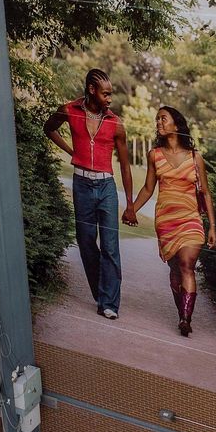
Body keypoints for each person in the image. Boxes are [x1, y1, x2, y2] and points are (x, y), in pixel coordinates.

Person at [44, 69, 136, 320]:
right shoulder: (69, 110)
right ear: (92, 90)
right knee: (85, 241)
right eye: (105, 94)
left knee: (110, 246)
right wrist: (71, 151)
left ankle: (109, 303)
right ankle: (101, 294)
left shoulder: (115, 123)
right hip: (81, 185)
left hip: (106, 187)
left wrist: (130, 204)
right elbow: (48, 128)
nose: (110, 99)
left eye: (111, 94)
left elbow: (125, 166)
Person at [123, 106, 216, 337]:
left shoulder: (195, 157)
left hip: (191, 219)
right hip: (166, 221)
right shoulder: (154, 155)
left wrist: (213, 227)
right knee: (176, 269)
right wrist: (131, 209)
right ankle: (181, 313)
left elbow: (205, 193)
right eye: (157, 119)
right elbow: (148, 188)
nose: (158, 123)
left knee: (187, 264)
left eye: (163, 119)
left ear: (176, 123)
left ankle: (186, 318)